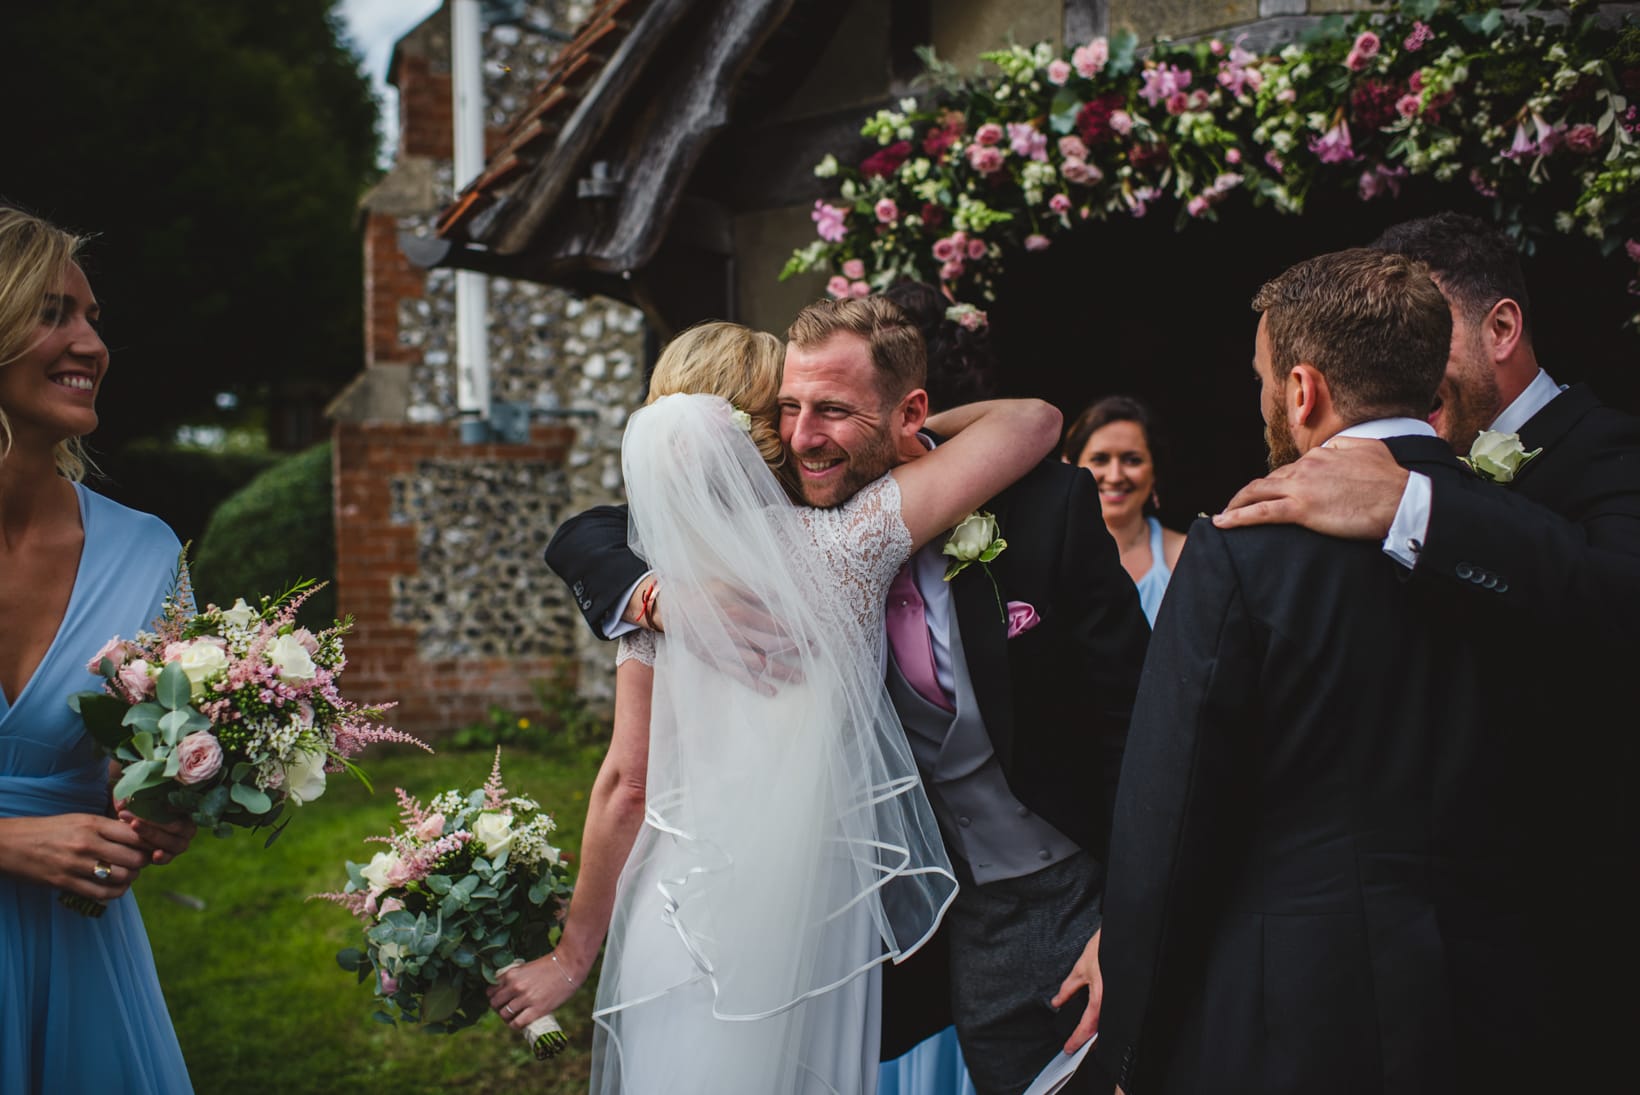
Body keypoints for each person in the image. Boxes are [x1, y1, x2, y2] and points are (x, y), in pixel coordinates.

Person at [543, 298, 1150, 1095]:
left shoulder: (674, 567)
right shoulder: (810, 541)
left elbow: (626, 785)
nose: (802, 436)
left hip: (687, 918)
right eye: (786, 410)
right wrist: (655, 595)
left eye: (829, 410)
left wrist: (574, 951)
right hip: (862, 929)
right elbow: (586, 532)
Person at [1063, 248, 1556, 1094]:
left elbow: (1169, 817)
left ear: (1303, 391)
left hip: (1300, 1015)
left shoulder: (1240, 549)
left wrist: (1130, 1047)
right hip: (1507, 996)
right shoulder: (1523, 532)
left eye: (1262, 378)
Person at [1212, 212, 1640, 1080]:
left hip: (1576, 924)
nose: (1404, 355)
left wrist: (1419, 508)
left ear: (1503, 327)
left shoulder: (1610, 452)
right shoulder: (1346, 478)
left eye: (1427, 330)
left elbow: (1619, 602)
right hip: (1408, 947)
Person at [0, 206, 196, 1093]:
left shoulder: (150, 553)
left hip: (80, 961)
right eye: (52, 313)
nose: (91, 343)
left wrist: (162, 802)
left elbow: (140, 765)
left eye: (92, 318)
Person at [1061, 396, 1185, 625]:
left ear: (1154, 470)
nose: (1115, 476)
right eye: (1100, 459)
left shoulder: (1186, 555)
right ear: (1071, 467)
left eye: (1132, 460)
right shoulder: (1053, 557)